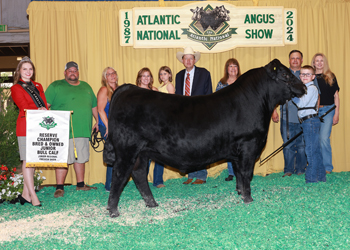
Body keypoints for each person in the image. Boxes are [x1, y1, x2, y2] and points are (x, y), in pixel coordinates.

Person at [45, 61, 99, 198]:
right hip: (61, 130)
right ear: (65, 73)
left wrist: (98, 120)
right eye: (70, 70)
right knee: (62, 158)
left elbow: (94, 105)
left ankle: (80, 185)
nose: (72, 73)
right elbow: (45, 105)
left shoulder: (86, 86)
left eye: (75, 70)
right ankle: (59, 187)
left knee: (80, 157)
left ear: (78, 73)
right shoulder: (55, 86)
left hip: (82, 129)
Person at [272, 50, 319, 177]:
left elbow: (316, 95)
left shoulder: (306, 74)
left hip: (303, 117)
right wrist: (274, 110)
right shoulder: (283, 74)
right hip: (286, 115)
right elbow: (275, 93)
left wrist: (316, 111)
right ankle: (288, 169)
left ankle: (301, 169)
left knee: (302, 144)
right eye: (293, 58)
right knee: (287, 144)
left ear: (302, 60)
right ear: (289, 60)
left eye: (298, 58)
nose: (295, 60)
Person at [10, 57, 48, 206]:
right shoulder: (16, 88)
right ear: (19, 71)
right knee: (27, 161)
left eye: (30, 69)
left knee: (32, 161)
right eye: (24, 69)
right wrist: (39, 109)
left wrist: (45, 110)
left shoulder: (38, 85)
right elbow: (23, 106)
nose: (28, 71)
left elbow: (44, 104)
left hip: (38, 126)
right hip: (25, 126)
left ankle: (25, 195)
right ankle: (33, 196)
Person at [175, 47, 212, 184]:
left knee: (201, 145)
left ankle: (201, 175)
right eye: (186, 58)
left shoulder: (204, 73)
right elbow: (177, 97)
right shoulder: (179, 76)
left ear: (194, 60)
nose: (188, 60)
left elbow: (209, 95)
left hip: (200, 115)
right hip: (184, 116)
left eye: (191, 58)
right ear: (183, 61)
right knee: (187, 145)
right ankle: (191, 174)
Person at [292, 65, 326, 183]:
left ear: (313, 77)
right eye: (302, 74)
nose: (304, 76)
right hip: (309, 121)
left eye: (307, 74)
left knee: (310, 151)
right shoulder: (306, 88)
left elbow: (302, 103)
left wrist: (292, 95)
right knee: (315, 150)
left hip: (310, 121)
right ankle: (321, 176)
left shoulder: (311, 88)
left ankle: (311, 179)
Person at [136, 67, 167, 188]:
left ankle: (158, 181)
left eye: (148, 76)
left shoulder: (155, 90)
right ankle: (142, 181)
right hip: (141, 127)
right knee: (143, 155)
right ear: (139, 78)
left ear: (151, 78)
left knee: (159, 153)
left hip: (155, 126)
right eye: (143, 76)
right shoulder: (136, 91)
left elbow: (161, 108)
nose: (146, 78)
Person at [311, 53, 340, 174]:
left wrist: (337, 113)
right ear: (313, 63)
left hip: (328, 110)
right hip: (314, 111)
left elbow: (336, 96)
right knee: (314, 140)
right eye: (317, 61)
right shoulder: (310, 77)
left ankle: (327, 167)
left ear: (325, 62)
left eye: (321, 61)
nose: (319, 63)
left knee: (323, 138)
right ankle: (317, 166)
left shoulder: (331, 76)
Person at [215, 58, 241, 181]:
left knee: (241, 145)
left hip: (241, 118)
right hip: (225, 119)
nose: (233, 69)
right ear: (227, 69)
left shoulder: (243, 82)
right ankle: (231, 172)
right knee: (229, 146)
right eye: (230, 66)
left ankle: (241, 171)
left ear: (238, 68)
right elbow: (216, 102)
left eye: (235, 66)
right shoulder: (221, 84)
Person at [97, 67, 118, 191]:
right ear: (105, 77)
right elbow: (100, 109)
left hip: (116, 127)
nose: (112, 75)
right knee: (112, 153)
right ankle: (109, 185)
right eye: (108, 74)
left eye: (113, 73)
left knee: (118, 154)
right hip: (107, 126)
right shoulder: (104, 89)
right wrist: (108, 126)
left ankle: (114, 182)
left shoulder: (118, 89)